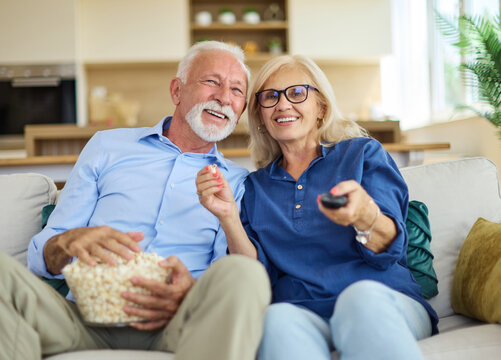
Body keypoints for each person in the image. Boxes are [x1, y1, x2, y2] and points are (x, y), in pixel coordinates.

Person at [0, 41, 270, 360]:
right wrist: (68, 241)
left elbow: (236, 276)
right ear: (177, 91)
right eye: (211, 81)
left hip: (178, 324)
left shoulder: (238, 181)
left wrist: (192, 291)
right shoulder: (108, 146)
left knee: (246, 274)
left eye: (237, 90)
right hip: (81, 320)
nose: (224, 97)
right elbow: (40, 255)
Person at [195, 54, 439, 360]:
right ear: (260, 116)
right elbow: (259, 278)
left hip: (382, 299)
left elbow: (391, 248)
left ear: (321, 107)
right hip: (303, 312)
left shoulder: (362, 154)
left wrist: (365, 215)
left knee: (358, 300)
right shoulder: (255, 187)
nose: (283, 104)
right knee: (275, 320)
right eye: (270, 97)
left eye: (297, 93)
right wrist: (229, 217)